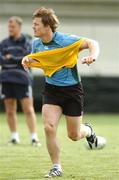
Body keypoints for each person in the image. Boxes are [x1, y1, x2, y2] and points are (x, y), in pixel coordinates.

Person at [22, 7, 105, 178]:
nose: (33, 27)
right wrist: (28, 60)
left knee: (74, 135)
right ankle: (56, 167)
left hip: (72, 91)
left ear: (47, 26)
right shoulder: (36, 43)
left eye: (36, 24)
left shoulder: (67, 40)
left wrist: (93, 56)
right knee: (48, 127)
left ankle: (88, 131)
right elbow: (38, 58)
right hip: (51, 90)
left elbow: (93, 43)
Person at [0, 16, 41, 146]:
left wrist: (10, 57)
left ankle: (34, 138)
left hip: (23, 79)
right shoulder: (4, 43)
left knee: (28, 109)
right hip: (6, 78)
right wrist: (15, 59)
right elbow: (1, 59)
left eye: (13, 27)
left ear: (19, 27)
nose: (10, 29)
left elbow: (27, 58)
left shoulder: (27, 42)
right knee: (10, 110)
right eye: (9, 27)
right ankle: (14, 137)